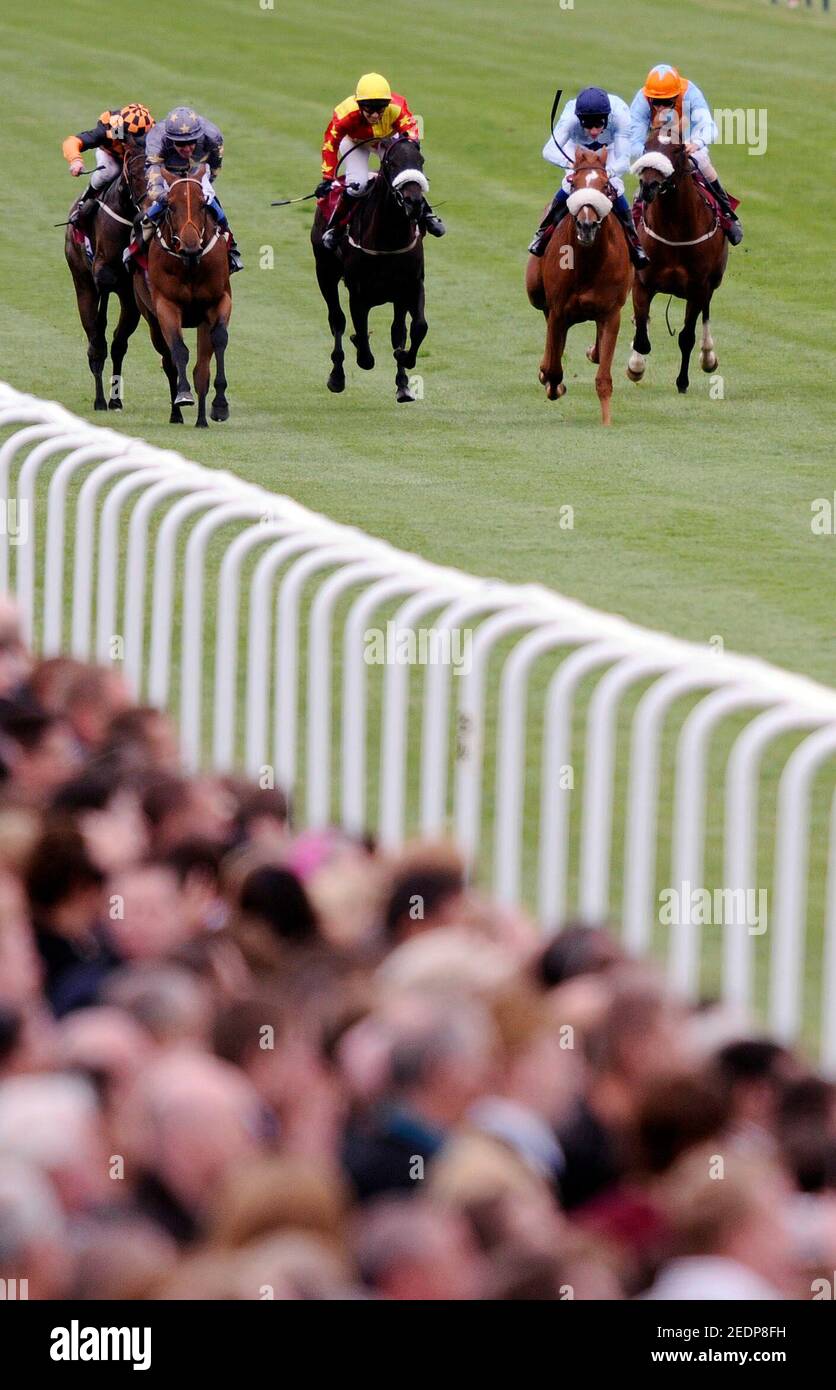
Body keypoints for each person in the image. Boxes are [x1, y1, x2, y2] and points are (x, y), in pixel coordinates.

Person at [317, 74, 445, 252]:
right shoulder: (344, 114)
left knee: (405, 175)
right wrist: (328, 179)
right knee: (358, 185)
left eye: (381, 109)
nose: (376, 115)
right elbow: (330, 145)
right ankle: (336, 228)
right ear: (360, 105)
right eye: (370, 109)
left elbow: (411, 129)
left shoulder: (397, 106)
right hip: (356, 143)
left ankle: (427, 214)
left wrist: (410, 146)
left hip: (387, 140)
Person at [528, 86, 649, 267]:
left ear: (607, 118)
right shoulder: (570, 118)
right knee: (570, 185)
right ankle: (543, 233)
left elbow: (623, 161)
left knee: (615, 186)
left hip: (609, 148)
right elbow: (549, 150)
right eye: (588, 125)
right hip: (577, 150)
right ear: (579, 119)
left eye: (599, 125)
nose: (593, 131)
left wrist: (603, 173)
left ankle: (634, 242)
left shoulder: (621, 115)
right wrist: (572, 165)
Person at [629, 64, 743, 244]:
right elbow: (633, 141)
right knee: (648, 178)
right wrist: (651, 153)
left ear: (676, 95)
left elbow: (708, 127)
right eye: (656, 102)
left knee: (702, 162)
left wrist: (696, 143)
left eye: (667, 102)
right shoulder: (641, 99)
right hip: (656, 146)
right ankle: (633, 228)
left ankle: (728, 216)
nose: (661, 107)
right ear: (649, 98)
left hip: (688, 141)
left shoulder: (690, 93)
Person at [124, 107, 242, 273]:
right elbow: (153, 178)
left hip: (197, 170)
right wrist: (166, 197)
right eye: (180, 144)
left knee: (218, 211)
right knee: (149, 217)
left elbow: (214, 168)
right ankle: (135, 250)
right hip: (167, 172)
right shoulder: (157, 139)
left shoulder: (212, 136)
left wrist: (197, 193)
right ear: (170, 140)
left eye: (191, 142)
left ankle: (231, 250)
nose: (187, 148)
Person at [62, 104, 154, 230]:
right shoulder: (110, 129)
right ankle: (84, 201)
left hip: (138, 160)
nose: (130, 144)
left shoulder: (154, 133)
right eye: (128, 139)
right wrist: (75, 160)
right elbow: (72, 141)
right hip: (112, 156)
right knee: (109, 172)